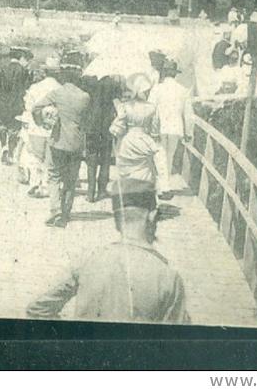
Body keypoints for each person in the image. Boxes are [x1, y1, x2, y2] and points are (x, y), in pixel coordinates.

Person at [26, 179, 189, 323]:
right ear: (152, 217)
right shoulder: (168, 278)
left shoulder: (88, 260)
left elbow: (38, 309)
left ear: (117, 221)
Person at [37, 56, 92, 228]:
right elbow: (87, 122)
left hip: (57, 141)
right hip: (75, 143)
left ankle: (55, 210)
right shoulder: (85, 97)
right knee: (70, 179)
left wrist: (45, 120)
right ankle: (65, 213)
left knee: (53, 176)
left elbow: (36, 108)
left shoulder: (56, 93)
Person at [110, 74, 170, 198]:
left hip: (127, 141)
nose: (148, 93)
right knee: (159, 155)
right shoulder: (152, 108)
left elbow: (116, 129)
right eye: (146, 91)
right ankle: (164, 187)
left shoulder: (125, 106)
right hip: (144, 139)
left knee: (126, 168)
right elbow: (155, 131)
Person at [147, 59, 192, 191]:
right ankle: (165, 186)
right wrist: (188, 132)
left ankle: (163, 186)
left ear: (164, 73)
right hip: (175, 127)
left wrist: (148, 127)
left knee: (159, 155)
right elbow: (188, 114)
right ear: (175, 74)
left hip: (159, 126)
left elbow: (150, 109)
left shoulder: (157, 89)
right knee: (169, 156)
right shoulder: (183, 90)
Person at [19, 56, 62, 196]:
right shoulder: (60, 89)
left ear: (45, 72)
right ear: (57, 72)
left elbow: (28, 107)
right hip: (52, 129)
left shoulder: (35, 87)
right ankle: (45, 185)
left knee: (35, 156)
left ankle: (34, 183)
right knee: (50, 159)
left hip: (36, 127)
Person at [80, 74, 121, 202]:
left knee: (91, 159)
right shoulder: (112, 83)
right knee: (105, 159)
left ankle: (90, 193)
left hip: (91, 124)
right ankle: (102, 190)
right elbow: (118, 104)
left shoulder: (87, 81)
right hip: (106, 125)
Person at [0, 46, 33, 165]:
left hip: (3, 104)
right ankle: (10, 153)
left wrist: (2, 92)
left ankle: (4, 147)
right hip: (16, 105)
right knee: (14, 129)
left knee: (2, 127)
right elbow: (28, 87)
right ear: (21, 57)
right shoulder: (23, 71)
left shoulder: (4, 69)